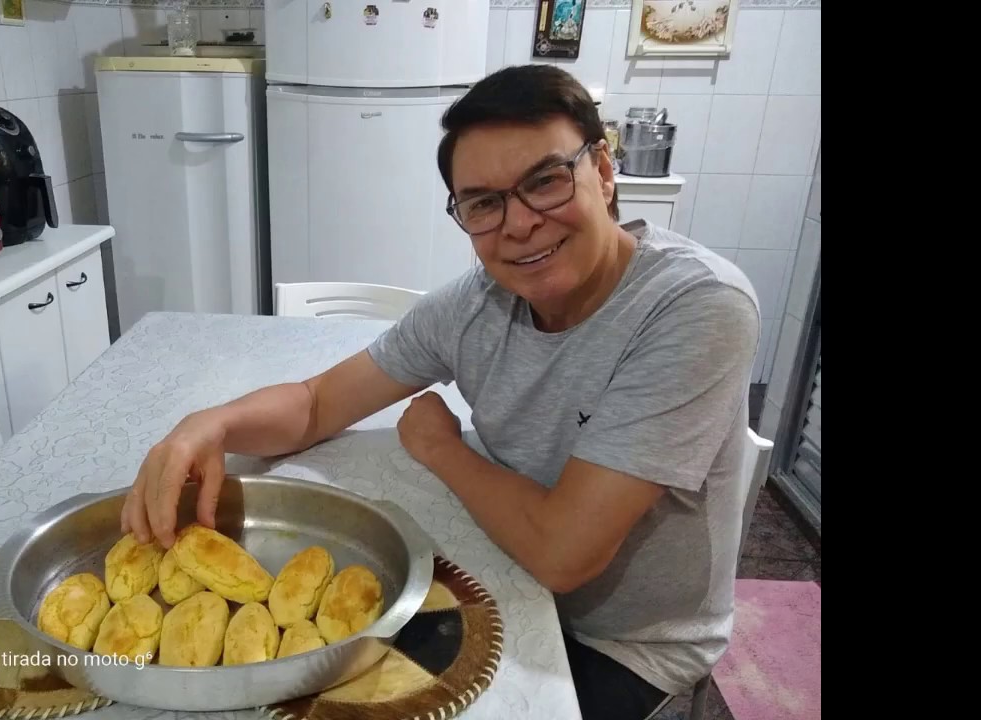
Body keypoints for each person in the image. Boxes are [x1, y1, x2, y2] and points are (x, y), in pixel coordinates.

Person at [121, 64, 761, 720]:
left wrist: (440, 448)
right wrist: (208, 425)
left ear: (602, 169)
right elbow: (317, 404)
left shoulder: (694, 308)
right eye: (484, 202)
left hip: (623, 647)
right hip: (505, 578)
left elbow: (564, 553)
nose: (519, 224)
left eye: (545, 180)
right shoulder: (479, 303)